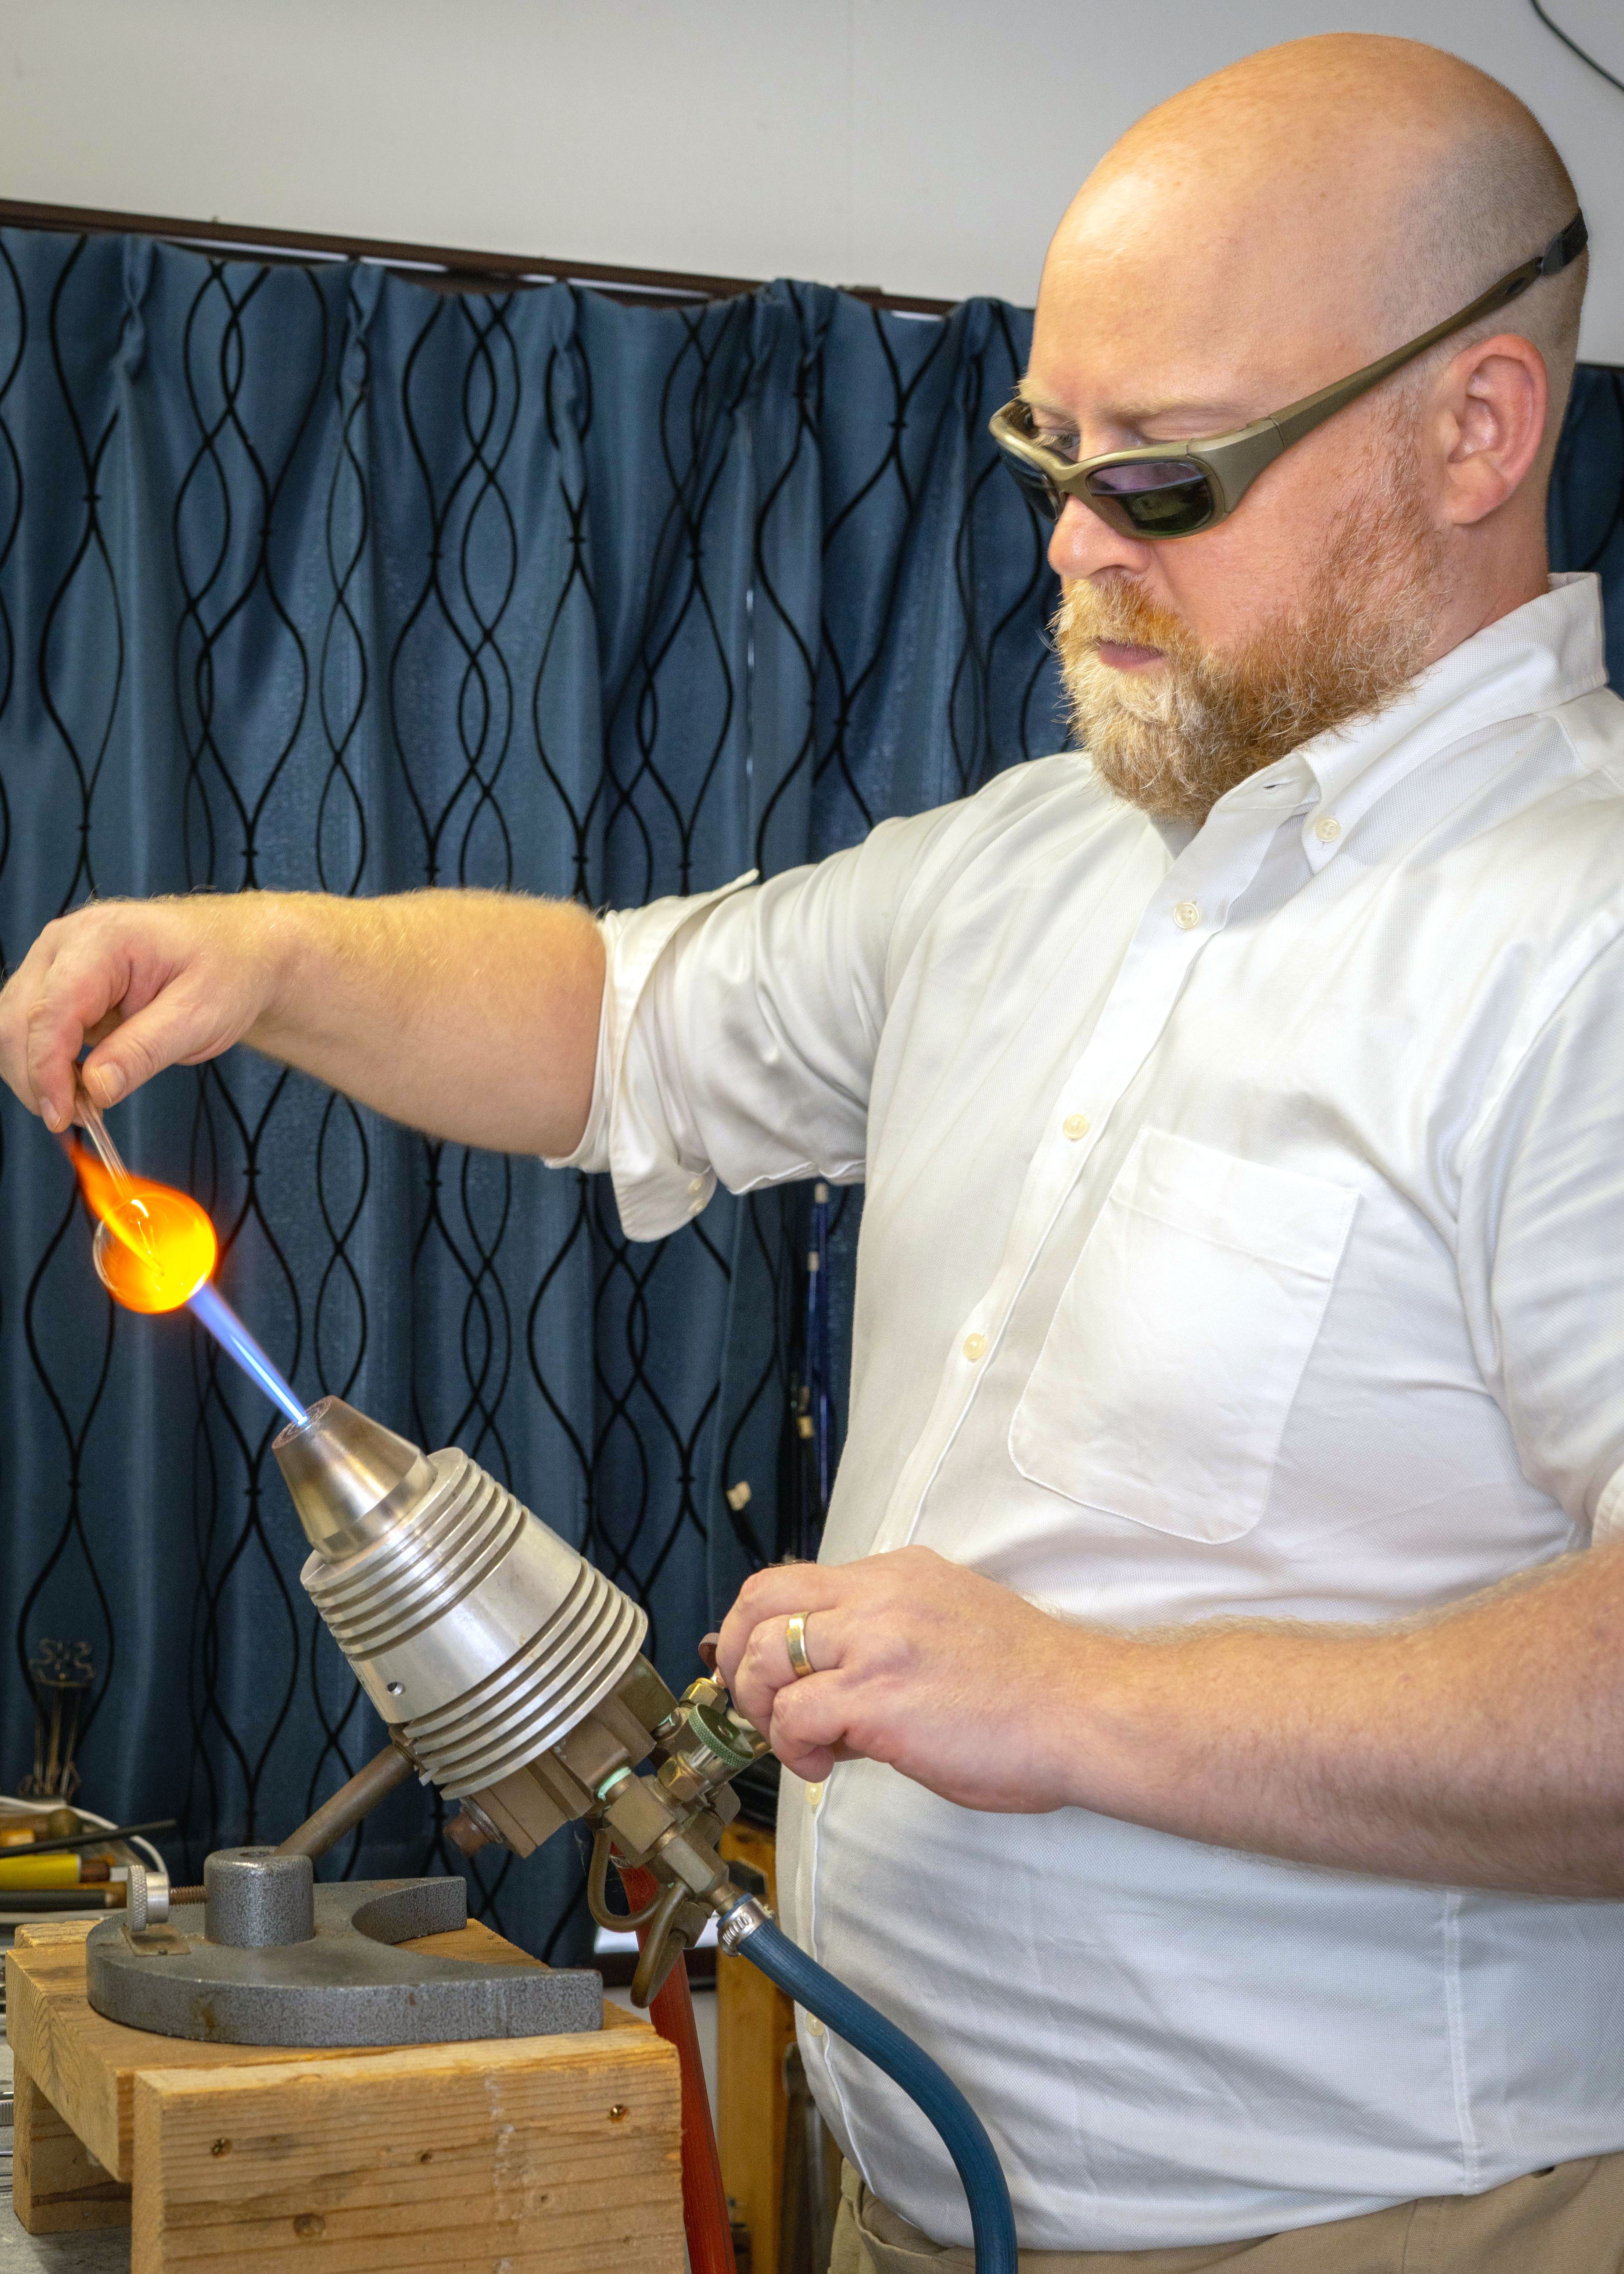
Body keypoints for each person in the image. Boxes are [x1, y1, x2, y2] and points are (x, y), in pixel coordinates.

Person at [3, 30, 1621, 2273]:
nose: (1071, 540)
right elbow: (611, 1020)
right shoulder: (1042, 854)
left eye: (1164, 472)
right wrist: (266, 954)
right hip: (915, 2197)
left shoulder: (1579, 943)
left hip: (1384, 2221)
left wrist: (1079, 1700)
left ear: (1476, 428)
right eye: (1047, 447)